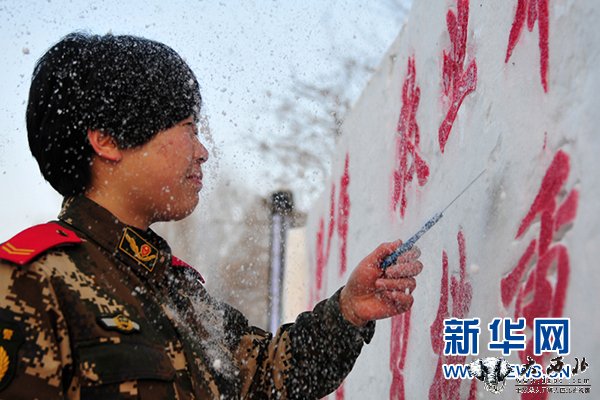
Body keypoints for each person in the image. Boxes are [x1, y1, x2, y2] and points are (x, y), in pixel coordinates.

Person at [0, 32, 423, 399]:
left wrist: (348, 311)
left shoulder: (175, 287)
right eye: (187, 127)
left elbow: (266, 378)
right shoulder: (28, 283)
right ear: (108, 140)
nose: (202, 151)